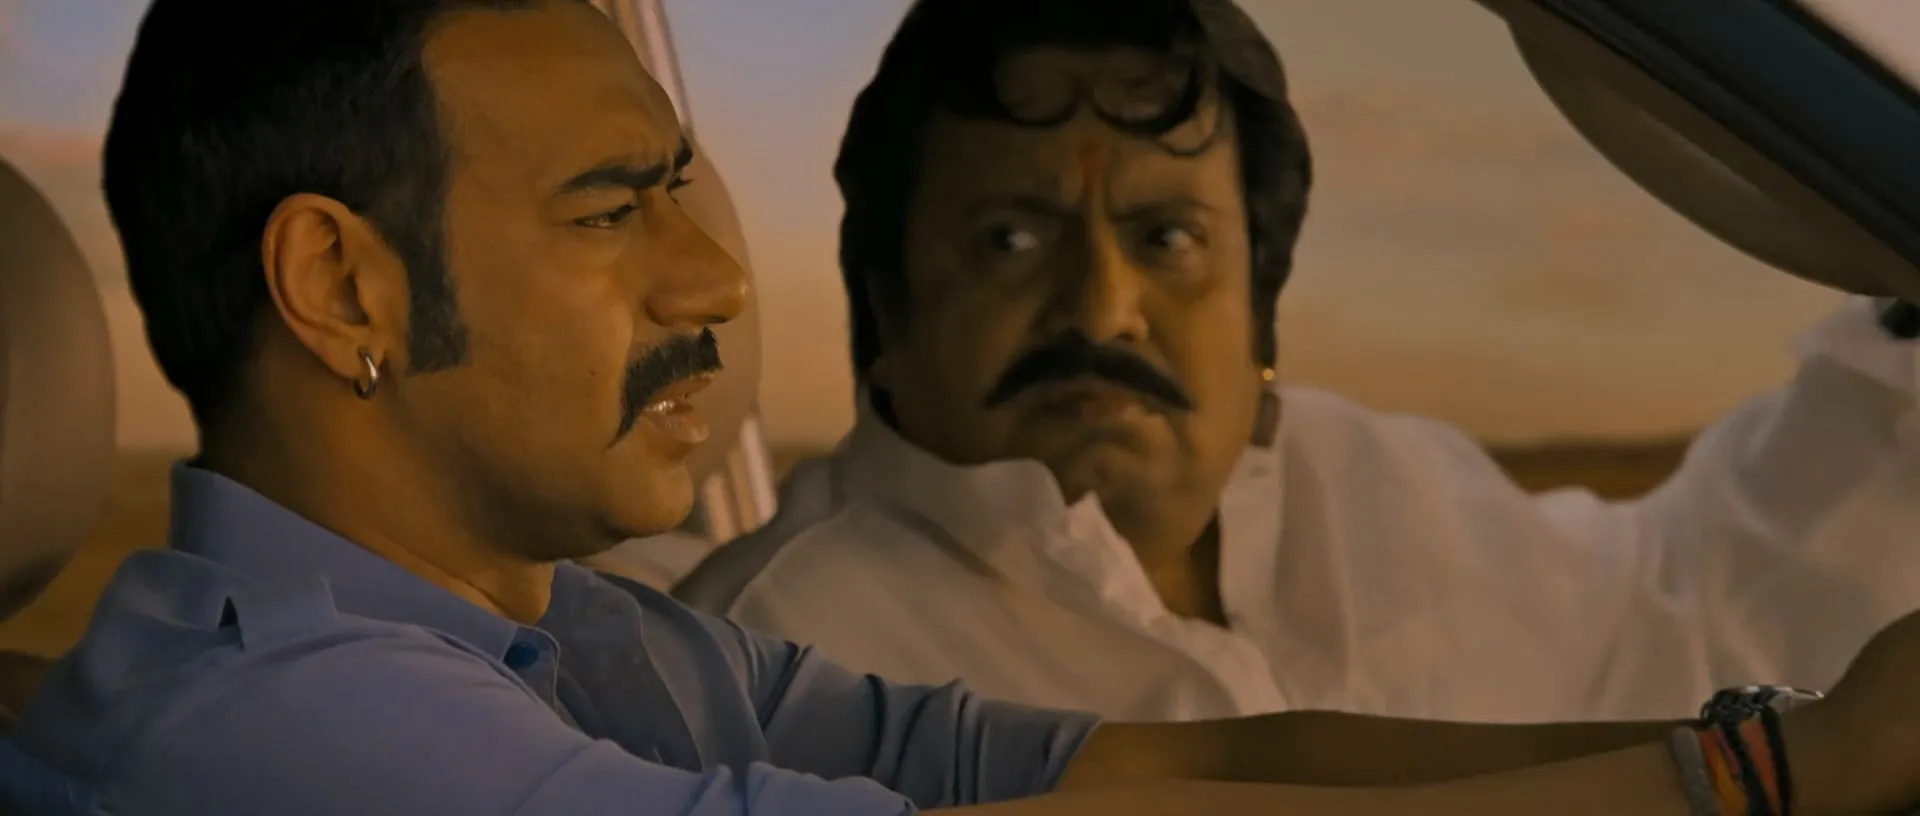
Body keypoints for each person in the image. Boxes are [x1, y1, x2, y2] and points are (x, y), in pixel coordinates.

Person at [13, 0, 1920, 814]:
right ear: (345, 288)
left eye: (684, 189)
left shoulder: (570, 643)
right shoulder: (267, 723)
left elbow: (1110, 771)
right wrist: (1762, 786)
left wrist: (1767, 744)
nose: (715, 279)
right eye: (611, 211)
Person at [675, 0, 1920, 725]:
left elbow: (1680, 613)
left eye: (1168, 240)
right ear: (887, 307)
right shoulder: (765, 670)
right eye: (1011, 238)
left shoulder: (1371, 488)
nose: (1102, 307)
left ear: (1260, 311)